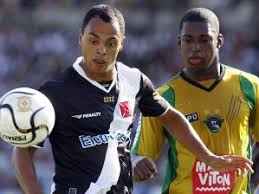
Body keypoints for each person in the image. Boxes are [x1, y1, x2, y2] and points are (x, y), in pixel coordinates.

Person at [12, 5, 253, 194]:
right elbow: (23, 152)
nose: (101, 49)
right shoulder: (55, 91)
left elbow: (171, 117)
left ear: (122, 44)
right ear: (80, 38)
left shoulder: (134, 80)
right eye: (93, 40)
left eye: (111, 42)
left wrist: (208, 158)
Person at [131, 7, 259, 194]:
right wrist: (137, 163)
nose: (195, 47)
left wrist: (252, 183)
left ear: (219, 41)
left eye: (204, 39)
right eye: (188, 40)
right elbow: (138, 155)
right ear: (179, 43)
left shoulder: (250, 86)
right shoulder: (162, 97)